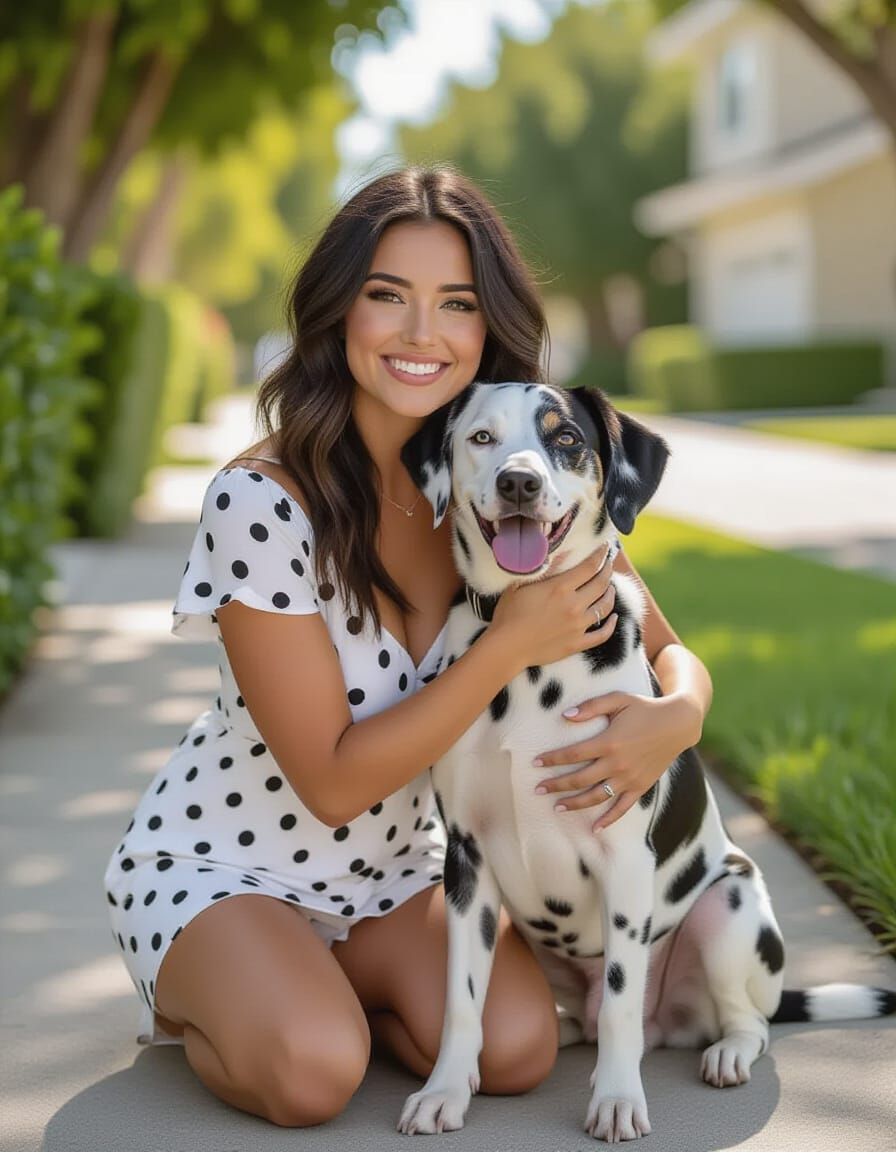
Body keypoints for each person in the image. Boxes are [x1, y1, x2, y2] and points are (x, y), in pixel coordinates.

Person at [104, 165, 712, 1128]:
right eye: (388, 296)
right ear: (338, 311)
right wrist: (507, 646)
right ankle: (211, 993)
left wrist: (677, 717)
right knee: (313, 1075)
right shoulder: (260, 503)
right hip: (229, 863)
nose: (422, 334)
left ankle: (323, 988)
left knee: (518, 1052)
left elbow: (667, 648)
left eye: (456, 305)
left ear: (488, 327)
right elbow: (335, 783)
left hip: (392, 876)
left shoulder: (502, 491)